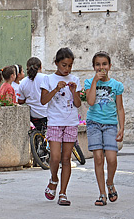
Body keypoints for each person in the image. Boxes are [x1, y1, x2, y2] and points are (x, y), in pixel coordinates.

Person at [40, 48, 81, 206]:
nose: (67, 69)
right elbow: (43, 101)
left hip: (70, 122)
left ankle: (63, 193)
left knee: (66, 159)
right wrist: (56, 89)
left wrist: (74, 91)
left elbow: (78, 104)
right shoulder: (48, 79)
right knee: (55, 157)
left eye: (70, 66)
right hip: (55, 122)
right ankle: (54, 178)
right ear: (56, 63)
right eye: (64, 65)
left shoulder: (75, 79)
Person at [84, 51, 125, 206]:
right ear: (94, 67)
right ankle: (102, 194)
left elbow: (120, 108)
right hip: (94, 123)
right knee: (98, 159)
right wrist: (95, 81)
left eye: (104, 64)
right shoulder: (89, 82)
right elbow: (91, 102)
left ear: (109, 65)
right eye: (98, 65)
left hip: (110, 125)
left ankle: (110, 182)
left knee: (112, 159)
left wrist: (122, 128)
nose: (101, 67)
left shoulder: (116, 85)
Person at [17, 57, 47, 131]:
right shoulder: (46, 78)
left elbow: (20, 101)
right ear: (40, 67)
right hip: (47, 113)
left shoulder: (23, 82)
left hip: (33, 116)